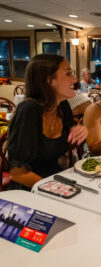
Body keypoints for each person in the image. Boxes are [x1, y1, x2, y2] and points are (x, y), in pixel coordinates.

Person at [8, 54, 88, 190]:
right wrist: (58, 189)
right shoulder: (29, 110)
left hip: (56, 181)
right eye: (68, 73)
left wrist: (82, 130)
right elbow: (18, 174)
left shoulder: (63, 107)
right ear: (49, 80)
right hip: (30, 192)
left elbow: (71, 138)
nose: (75, 79)